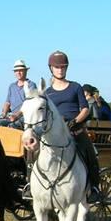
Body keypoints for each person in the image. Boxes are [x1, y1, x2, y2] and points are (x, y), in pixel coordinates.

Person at [41, 51, 102, 203]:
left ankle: (94, 187)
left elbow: (85, 109)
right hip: (55, 134)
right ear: (51, 69)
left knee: (90, 154)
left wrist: (73, 122)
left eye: (63, 67)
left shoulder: (75, 87)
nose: (60, 70)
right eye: (57, 67)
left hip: (76, 130)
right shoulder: (47, 93)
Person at [0, 59, 36, 128]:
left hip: (26, 117)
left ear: (26, 71)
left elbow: (29, 105)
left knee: (12, 126)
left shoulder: (31, 85)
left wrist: (17, 115)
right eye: (16, 71)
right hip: (12, 116)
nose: (18, 72)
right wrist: (3, 113)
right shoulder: (11, 86)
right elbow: (7, 102)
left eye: (20, 70)